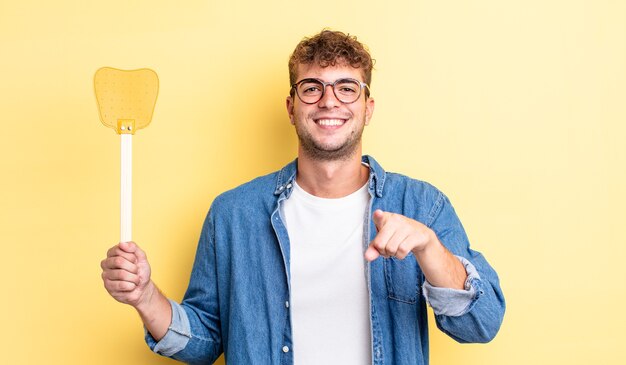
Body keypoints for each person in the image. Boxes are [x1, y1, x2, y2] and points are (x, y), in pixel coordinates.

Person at [101, 30, 505, 365]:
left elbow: (482, 325)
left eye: (347, 88)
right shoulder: (232, 214)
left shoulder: (422, 206)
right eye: (312, 88)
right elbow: (205, 342)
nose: (329, 101)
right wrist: (145, 296)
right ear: (292, 107)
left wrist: (430, 249)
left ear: (368, 108)